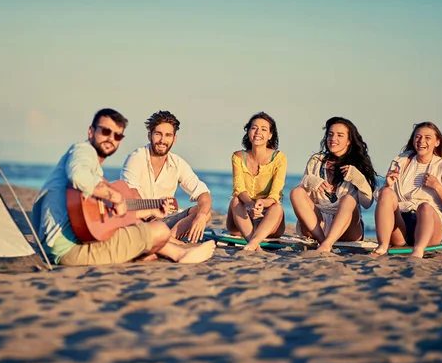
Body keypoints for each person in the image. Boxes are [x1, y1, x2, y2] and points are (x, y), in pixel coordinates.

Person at [31, 108, 215, 266]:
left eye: (117, 135)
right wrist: (116, 197)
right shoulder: (83, 151)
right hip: (67, 247)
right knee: (158, 231)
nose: (111, 138)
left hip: (80, 240)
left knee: (195, 215)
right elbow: (80, 178)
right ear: (90, 132)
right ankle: (178, 252)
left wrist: (152, 211)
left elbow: (100, 213)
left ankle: (159, 247)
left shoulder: (94, 168)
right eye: (105, 131)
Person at [372, 121, 442, 258]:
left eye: (428, 137)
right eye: (418, 137)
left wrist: (437, 187)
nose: (421, 141)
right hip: (401, 227)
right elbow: (383, 202)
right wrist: (388, 185)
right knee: (386, 192)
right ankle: (382, 246)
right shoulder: (400, 161)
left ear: (437, 142)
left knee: (425, 207)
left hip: (430, 227)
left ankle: (418, 251)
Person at [121, 110, 212, 243]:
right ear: (149, 135)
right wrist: (155, 206)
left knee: (204, 212)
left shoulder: (177, 163)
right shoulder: (136, 158)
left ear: (174, 139)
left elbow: (204, 194)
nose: (162, 140)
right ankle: (167, 242)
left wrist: (202, 216)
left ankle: (168, 240)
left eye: (168, 135)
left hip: (163, 221)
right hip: (138, 221)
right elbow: (132, 195)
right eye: (158, 134)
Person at [290, 117, 377, 252]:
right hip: (317, 223)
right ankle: (323, 242)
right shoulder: (316, 160)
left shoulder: (358, 164)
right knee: (296, 192)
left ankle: (327, 244)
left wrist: (358, 179)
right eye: (330, 134)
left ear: (349, 141)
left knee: (348, 199)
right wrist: (310, 181)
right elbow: (302, 194)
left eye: (339, 135)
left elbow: (367, 203)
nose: (333, 138)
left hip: (347, 227)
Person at [227, 112, 287, 251]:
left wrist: (262, 204)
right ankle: (254, 243)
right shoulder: (238, 157)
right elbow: (239, 188)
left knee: (277, 207)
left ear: (270, 135)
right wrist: (251, 204)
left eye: (264, 129)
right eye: (254, 128)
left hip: (269, 220)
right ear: (248, 131)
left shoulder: (279, 158)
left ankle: (253, 243)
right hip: (242, 220)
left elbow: (275, 194)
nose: (258, 132)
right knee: (235, 200)